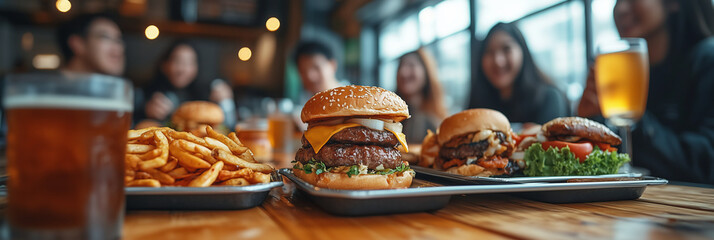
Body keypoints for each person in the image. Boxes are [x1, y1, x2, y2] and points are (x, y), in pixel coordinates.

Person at [578, 0, 714, 184]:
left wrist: (636, 121)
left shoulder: (707, 59)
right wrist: (590, 122)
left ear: (673, 3)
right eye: (617, 1)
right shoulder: (624, 74)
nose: (621, 9)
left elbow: (706, 163)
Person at [469, 22, 569, 124]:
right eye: (489, 51)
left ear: (522, 51)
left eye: (506, 49)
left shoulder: (548, 98)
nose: (498, 61)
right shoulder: (478, 106)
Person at [138, 40, 235, 127]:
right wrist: (145, 110)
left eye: (189, 63)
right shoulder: (148, 94)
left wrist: (226, 103)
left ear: (196, 68)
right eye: (177, 61)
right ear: (164, 65)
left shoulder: (206, 95)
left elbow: (229, 125)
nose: (182, 69)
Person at [396, 48, 448, 143]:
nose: (403, 72)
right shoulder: (390, 120)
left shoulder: (436, 122)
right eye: (400, 66)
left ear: (426, 71)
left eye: (411, 65)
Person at [57, 13, 124, 76]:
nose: (118, 48)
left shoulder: (119, 87)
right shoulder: (50, 86)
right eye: (105, 38)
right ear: (78, 44)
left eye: (118, 40)